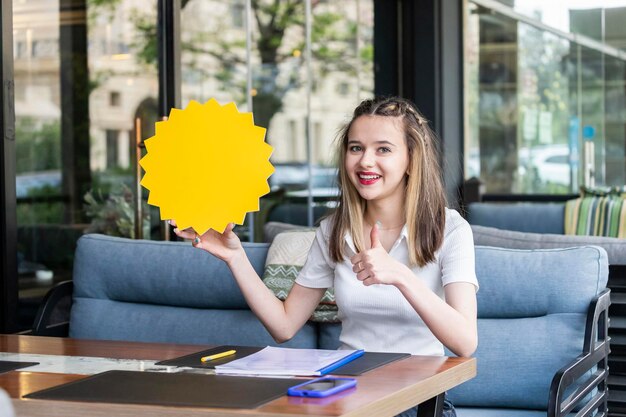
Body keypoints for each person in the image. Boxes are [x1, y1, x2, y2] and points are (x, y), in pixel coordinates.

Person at [173, 96, 478, 417]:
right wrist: (235, 256)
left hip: (417, 403)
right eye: (356, 148)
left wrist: (400, 275)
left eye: (383, 149)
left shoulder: (451, 230)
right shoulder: (334, 230)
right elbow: (284, 326)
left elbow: (464, 342)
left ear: (412, 160)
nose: (365, 161)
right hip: (347, 396)